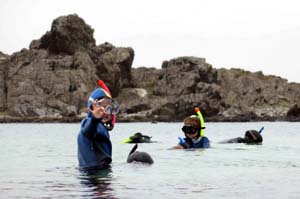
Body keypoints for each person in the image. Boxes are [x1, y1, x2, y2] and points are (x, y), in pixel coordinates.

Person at [77, 80, 119, 172]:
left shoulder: (102, 127)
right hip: (94, 175)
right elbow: (88, 130)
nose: (105, 111)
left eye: (109, 108)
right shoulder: (88, 123)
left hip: (101, 171)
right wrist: (95, 119)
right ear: (92, 108)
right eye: (102, 106)